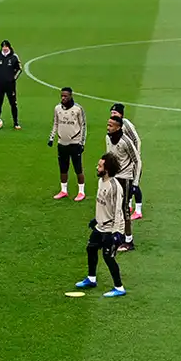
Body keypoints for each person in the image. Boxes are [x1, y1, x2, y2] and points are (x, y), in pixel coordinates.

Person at [74, 153, 127, 298]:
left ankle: (119, 287)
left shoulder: (114, 187)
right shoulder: (101, 181)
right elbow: (103, 205)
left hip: (111, 228)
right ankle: (91, 279)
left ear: (107, 169)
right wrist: (96, 219)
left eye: (100, 166)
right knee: (91, 249)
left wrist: (116, 233)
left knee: (108, 257)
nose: (97, 168)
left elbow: (118, 211)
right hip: (101, 225)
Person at [106, 116, 142, 252]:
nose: (108, 127)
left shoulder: (126, 142)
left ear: (118, 127)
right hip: (113, 177)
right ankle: (117, 236)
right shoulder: (107, 138)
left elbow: (137, 161)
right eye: (108, 125)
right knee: (112, 207)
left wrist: (135, 183)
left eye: (111, 126)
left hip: (125, 178)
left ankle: (129, 241)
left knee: (124, 209)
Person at [48, 87, 87, 201]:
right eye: (62, 96)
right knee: (63, 168)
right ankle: (63, 190)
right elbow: (56, 123)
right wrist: (51, 138)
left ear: (71, 96)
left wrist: (82, 143)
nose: (63, 98)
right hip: (61, 143)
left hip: (75, 143)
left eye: (65, 96)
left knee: (78, 168)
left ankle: (81, 192)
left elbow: (83, 125)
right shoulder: (57, 108)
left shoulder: (78, 109)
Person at [111, 103, 143, 220]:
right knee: (125, 185)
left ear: (121, 114)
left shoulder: (126, 124)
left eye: (115, 113)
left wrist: (135, 156)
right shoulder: (114, 125)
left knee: (134, 184)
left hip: (131, 159)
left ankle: (138, 210)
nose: (113, 115)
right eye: (111, 113)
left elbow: (136, 140)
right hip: (123, 159)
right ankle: (128, 205)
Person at [0, 39, 22, 129]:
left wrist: (13, 78)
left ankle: (16, 123)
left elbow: (19, 69)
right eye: (3, 47)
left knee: (13, 103)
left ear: (9, 47)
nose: (5, 48)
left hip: (10, 85)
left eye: (6, 47)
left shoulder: (14, 57)